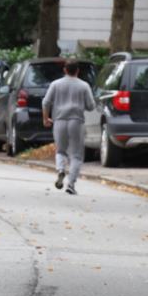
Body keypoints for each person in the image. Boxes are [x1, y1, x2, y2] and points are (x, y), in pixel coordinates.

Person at [42, 59, 95, 195]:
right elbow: (90, 106)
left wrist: (45, 118)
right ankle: (71, 184)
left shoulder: (55, 84)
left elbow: (46, 102)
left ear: (65, 70)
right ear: (77, 71)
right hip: (76, 121)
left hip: (59, 120)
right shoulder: (84, 85)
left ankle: (60, 170)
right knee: (76, 155)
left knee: (60, 151)